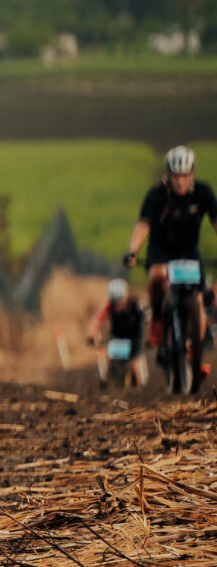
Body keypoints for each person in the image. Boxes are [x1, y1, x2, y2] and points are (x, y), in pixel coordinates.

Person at [125, 145, 216, 385]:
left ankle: (194, 349)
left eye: (185, 175)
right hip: (161, 252)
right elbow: (143, 225)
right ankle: (157, 319)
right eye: (176, 176)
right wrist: (133, 251)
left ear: (192, 174)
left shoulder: (203, 193)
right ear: (168, 174)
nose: (180, 181)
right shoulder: (156, 195)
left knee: (198, 302)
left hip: (189, 254)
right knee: (157, 276)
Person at [90, 278, 149, 388]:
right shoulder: (108, 305)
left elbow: (148, 315)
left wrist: (149, 325)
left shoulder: (136, 303)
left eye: (119, 302)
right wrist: (93, 333)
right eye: (114, 302)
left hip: (134, 336)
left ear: (125, 297)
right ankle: (112, 384)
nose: (117, 306)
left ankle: (138, 388)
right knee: (111, 361)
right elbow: (97, 319)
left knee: (134, 365)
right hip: (118, 336)